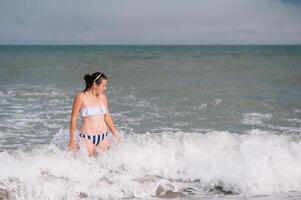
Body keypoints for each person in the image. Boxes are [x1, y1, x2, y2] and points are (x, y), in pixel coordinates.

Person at [68, 72, 120, 156]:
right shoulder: (81, 96)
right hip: (87, 137)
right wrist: (72, 139)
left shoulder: (103, 97)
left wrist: (116, 135)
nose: (105, 88)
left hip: (103, 137)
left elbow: (107, 117)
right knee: (87, 165)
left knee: (103, 165)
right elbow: (73, 118)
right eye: (103, 86)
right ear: (95, 84)